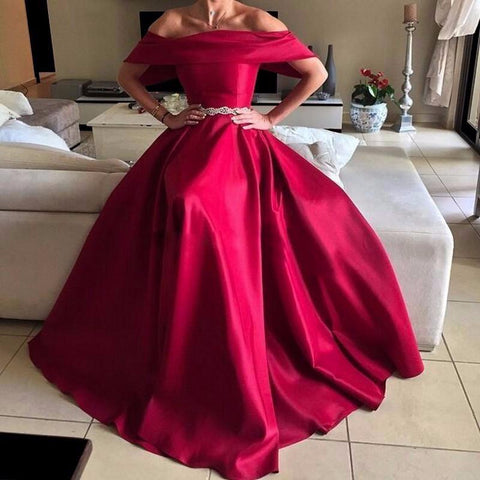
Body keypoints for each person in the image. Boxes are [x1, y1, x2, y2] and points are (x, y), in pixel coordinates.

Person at [28, 2, 425, 479]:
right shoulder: (171, 23)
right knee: (189, 199)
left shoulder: (258, 20)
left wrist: (271, 119)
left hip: (243, 140)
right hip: (191, 140)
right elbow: (127, 76)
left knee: (312, 208)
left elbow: (315, 74)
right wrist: (166, 115)